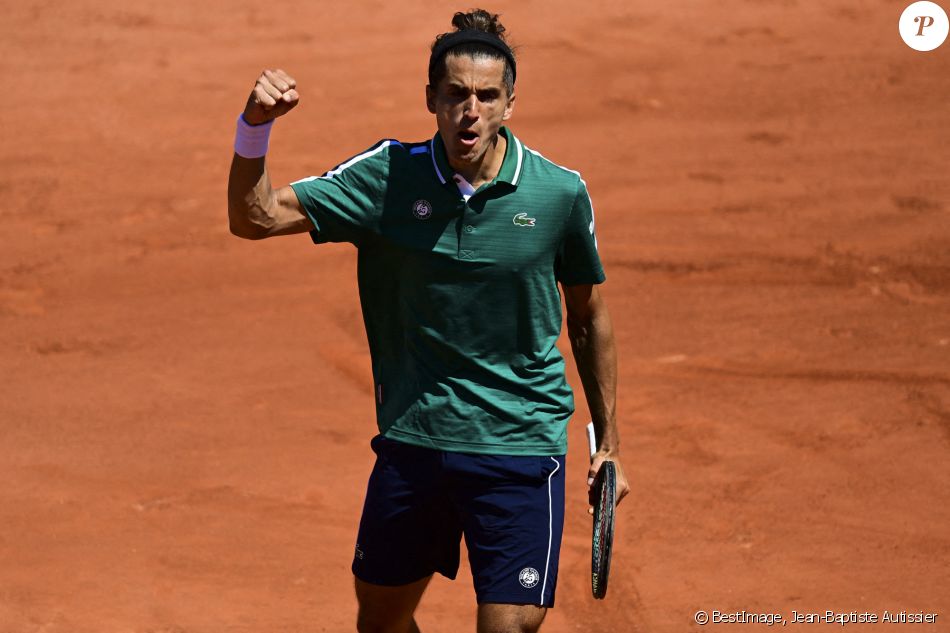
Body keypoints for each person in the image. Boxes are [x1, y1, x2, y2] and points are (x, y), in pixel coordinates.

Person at [227, 9, 629, 633]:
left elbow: (587, 315)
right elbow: (254, 217)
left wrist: (609, 443)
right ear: (432, 100)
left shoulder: (558, 194)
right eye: (456, 94)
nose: (471, 110)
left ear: (510, 104)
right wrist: (254, 127)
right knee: (380, 623)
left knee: (508, 627)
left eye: (487, 96)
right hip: (416, 440)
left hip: (520, 445)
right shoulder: (387, 177)